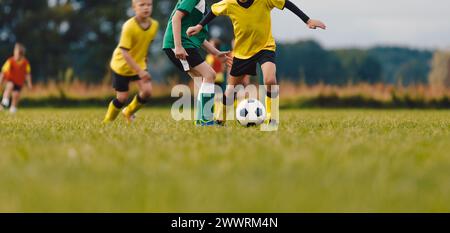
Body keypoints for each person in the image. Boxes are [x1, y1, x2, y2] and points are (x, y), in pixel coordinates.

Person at [187, 0, 326, 130]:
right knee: (231, 89)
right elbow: (213, 11)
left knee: (270, 79)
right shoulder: (230, 4)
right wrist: (199, 26)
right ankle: (220, 119)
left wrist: (307, 20)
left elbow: (286, 3)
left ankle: (272, 119)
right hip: (242, 53)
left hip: (265, 48)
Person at [162, 0, 231, 126]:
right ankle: (206, 119)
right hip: (180, 44)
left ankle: (201, 119)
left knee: (201, 79)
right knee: (210, 75)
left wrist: (216, 53)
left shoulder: (203, 4)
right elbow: (176, 18)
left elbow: (199, 37)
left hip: (183, 44)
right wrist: (178, 46)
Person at [103, 0, 159, 124]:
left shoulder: (154, 25)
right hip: (122, 65)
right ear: (134, 8)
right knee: (122, 98)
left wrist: (144, 59)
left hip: (139, 64)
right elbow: (124, 52)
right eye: (142, 5)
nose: (146, 8)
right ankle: (107, 122)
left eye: (149, 5)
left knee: (147, 91)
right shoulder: (129, 26)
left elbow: (146, 43)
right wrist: (140, 72)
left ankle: (128, 112)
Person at [0, 43, 32, 114]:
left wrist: (29, 84)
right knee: (10, 86)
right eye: (15, 53)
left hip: (19, 82)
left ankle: (13, 108)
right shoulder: (10, 61)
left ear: (22, 55)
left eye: (18, 54)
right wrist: (0, 82)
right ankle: (5, 100)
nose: (16, 55)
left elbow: (28, 74)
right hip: (11, 79)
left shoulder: (25, 63)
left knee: (16, 94)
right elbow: (3, 72)